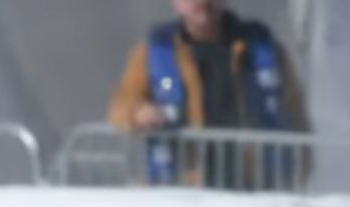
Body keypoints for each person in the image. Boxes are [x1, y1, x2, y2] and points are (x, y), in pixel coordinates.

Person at [107, 0, 309, 189]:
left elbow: (296, 115)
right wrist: (139, 112)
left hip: (255, 192)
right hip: (183, 190)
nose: (202, 2)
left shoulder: (262, 49)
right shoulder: (154, 52)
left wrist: (300, 172)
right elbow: (122, 103)